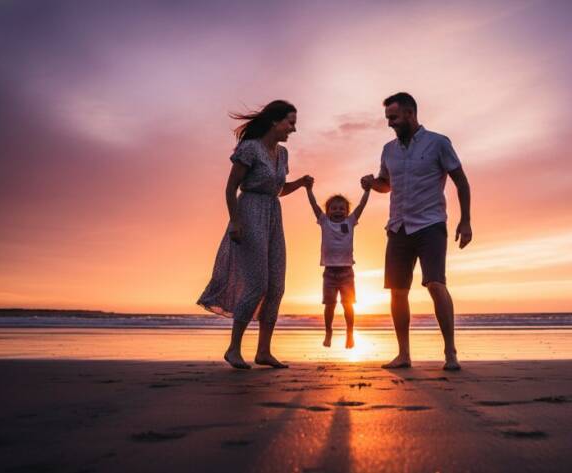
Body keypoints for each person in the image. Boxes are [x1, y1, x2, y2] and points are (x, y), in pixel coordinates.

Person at [197, 100, 313, 370]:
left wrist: (300, 183)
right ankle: (234, 349)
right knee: (257, 283)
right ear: (275, 121)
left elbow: (278, 189)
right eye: (290, 122)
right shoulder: (250, 148)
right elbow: (230, 188)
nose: (293, 129)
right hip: (249, 213)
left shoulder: (282, 154)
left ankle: (264, 351)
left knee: (276, 285)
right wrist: (235, 221)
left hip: (274, 215)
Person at [361, 92, 472, 371]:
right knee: (397, 291)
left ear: (410, 113)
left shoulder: (438, 143)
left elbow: (461, 181)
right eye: (388, 118)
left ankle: (450, 352)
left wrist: (466, 220)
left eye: (394, 118)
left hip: (430, 224)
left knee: (435, 284)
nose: (390, 123)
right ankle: (403, 354)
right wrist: (371, 183)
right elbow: (386, 184)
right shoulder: (389, 150)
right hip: (398, 226)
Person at [304, 178, 371, 349]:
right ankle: (328, 331)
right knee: (329, 305)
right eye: (334, 208)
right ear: (327, 211)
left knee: (348, 305)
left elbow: (362, 206)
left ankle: (350, 333)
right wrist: (308, 189)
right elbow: (314, 205)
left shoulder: (349, 222)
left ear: (347, 211)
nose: (338, 211)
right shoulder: (324, 221)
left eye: (342, 208)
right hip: (329, 273)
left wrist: (367, 190)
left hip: (347, 272)